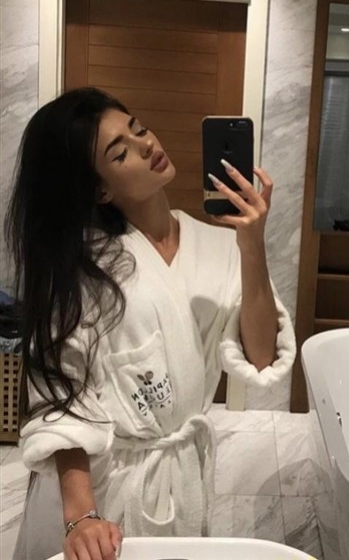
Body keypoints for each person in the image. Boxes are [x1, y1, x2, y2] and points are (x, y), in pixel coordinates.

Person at [6, 87, 295, 560]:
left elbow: (261, 356)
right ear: (100, 189)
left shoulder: (218, 247)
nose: (146, 145)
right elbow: (63, 395)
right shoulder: (84, 268)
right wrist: (81, 517)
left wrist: (251, 244)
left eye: (138, 129)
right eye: (120, 152)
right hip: (99, 489)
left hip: (176, 478)